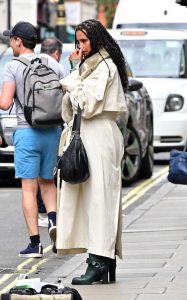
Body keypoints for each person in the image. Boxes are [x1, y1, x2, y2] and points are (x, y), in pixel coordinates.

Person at [57, 19, 129, 285]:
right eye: (79, 42)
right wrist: (74, 76)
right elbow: (69, 107)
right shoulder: (89, 66)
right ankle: (100, 257)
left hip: (100, 135)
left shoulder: (105, 66)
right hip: (87, 134)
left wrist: (73, 75)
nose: (81, 47)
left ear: (98, 39)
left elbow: (86, 105)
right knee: (90, 201)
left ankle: (98, 261)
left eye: (85, 41)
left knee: (100, 200)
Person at [0, 21, 63, 258]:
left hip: (27, 132)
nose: (10, 43)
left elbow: (5, 103)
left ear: (18, 41)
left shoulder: (12, 66)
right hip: (52, 131)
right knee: (48, 182)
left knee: (28, 188)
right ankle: (55, 223)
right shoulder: (52, 62)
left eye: (11, 39)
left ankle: (35, 244)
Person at [37, 37, 65, 228]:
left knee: (32, 179)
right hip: (54, 124)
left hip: (28, 125)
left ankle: (39, 212)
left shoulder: (28, 63)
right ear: (56, 53)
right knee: (51, 173)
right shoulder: (58, 67)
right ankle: (53, 214)